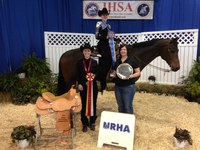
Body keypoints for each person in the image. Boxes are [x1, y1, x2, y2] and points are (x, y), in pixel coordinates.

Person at [110, 44, 141, 114]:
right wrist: (112, 75)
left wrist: (131, 76)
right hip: (118, 86)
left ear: (127, 51)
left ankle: (129, 123)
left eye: (124, 49)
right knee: (120, 106)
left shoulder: (132, 60)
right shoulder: (117, 61)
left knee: (127, 106)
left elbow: (138, 72)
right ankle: (122, 122)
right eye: (121, 49)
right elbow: (115, 72)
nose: (123, 51)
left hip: (129, 86)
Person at [95, 7, 119, 92]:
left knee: (112, 59)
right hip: (102, 45)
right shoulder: (99, 24)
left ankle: (111, 74)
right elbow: (97, 36)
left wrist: (117, 39)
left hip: (108, 45)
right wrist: (106, 37)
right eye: (103, 15)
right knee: (105, 62)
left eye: (106, 15)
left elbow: (111, 37)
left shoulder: (109, 26)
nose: (105, 16)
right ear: (101, 16)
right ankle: (102, 84)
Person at [76, 42, 99, 132]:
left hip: (93, 86)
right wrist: (80, 84)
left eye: (88, 51)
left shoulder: (94, 62)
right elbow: (77, 75)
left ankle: (92, 122)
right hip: (83, 87)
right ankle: (85, 123)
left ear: (90, 52)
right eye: (85, 50)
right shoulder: (79, 63)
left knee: (93, 103)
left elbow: (97, 73)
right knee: (84, 104)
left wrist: (93, 77)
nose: (87, 52)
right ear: (83, 52)